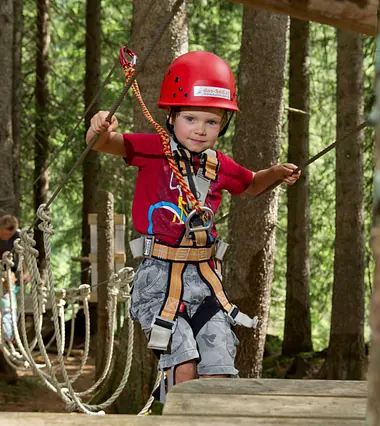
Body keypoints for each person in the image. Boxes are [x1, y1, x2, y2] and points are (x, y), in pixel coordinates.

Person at [85, 51, 300, 399]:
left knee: (217, 367)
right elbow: (105, 144)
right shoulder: (153, 149)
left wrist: (275, 173)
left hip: (204, 281)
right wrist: (99, 129)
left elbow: (252, 184)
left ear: (223, 125)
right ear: (171, 117)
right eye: (190, 118)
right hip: (158, 280)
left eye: (211, 122)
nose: (200, 129)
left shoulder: (219, 165)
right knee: (183, 365)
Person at [0, 215, 20, 344]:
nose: (6, 237)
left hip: (9, 276)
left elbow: (21, 256)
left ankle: (8, 336)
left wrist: (24, 273)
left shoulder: (17, 237)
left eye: (9, 235)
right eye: (4, 234)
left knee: (9, 310)